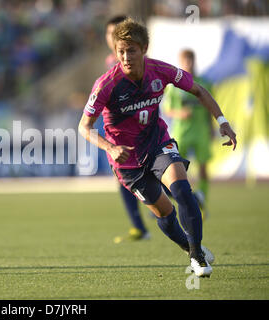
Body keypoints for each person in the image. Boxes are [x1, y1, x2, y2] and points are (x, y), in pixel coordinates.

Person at [78, 18, 237, 277]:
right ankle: (189, 247)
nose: (126, 57)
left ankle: (197, 256)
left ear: (144, 49)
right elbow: (83, 127)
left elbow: (198, 91)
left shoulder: (161, 70)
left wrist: (222, 121)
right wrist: (109, 146)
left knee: (183, 190)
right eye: (121, 51)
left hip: (158, 144)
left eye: (132, 50)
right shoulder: (106, 84)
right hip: (128, 163)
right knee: (165, 212)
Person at [104, 15, 150, 242]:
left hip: (139, 129)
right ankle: (139, 226)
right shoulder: (109, 62)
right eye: (111, 32)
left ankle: (179, 198)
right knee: (123, 176)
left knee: (149, 171)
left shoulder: (137, 60)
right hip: (118, 130)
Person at [164, 49, 213, 219]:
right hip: (182, 132)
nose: (189, 64)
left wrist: (212, 128)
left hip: (200, 131)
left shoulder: (204, 83)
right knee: (178, 169)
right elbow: (167, 109)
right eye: (185, 61)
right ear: (181, 62)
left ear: (194, 61)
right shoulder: (173, 87)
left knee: (203, 166)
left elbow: (209, 107)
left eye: (191, 60)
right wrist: (180, 113)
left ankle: (202, 197)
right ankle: (180, 202)